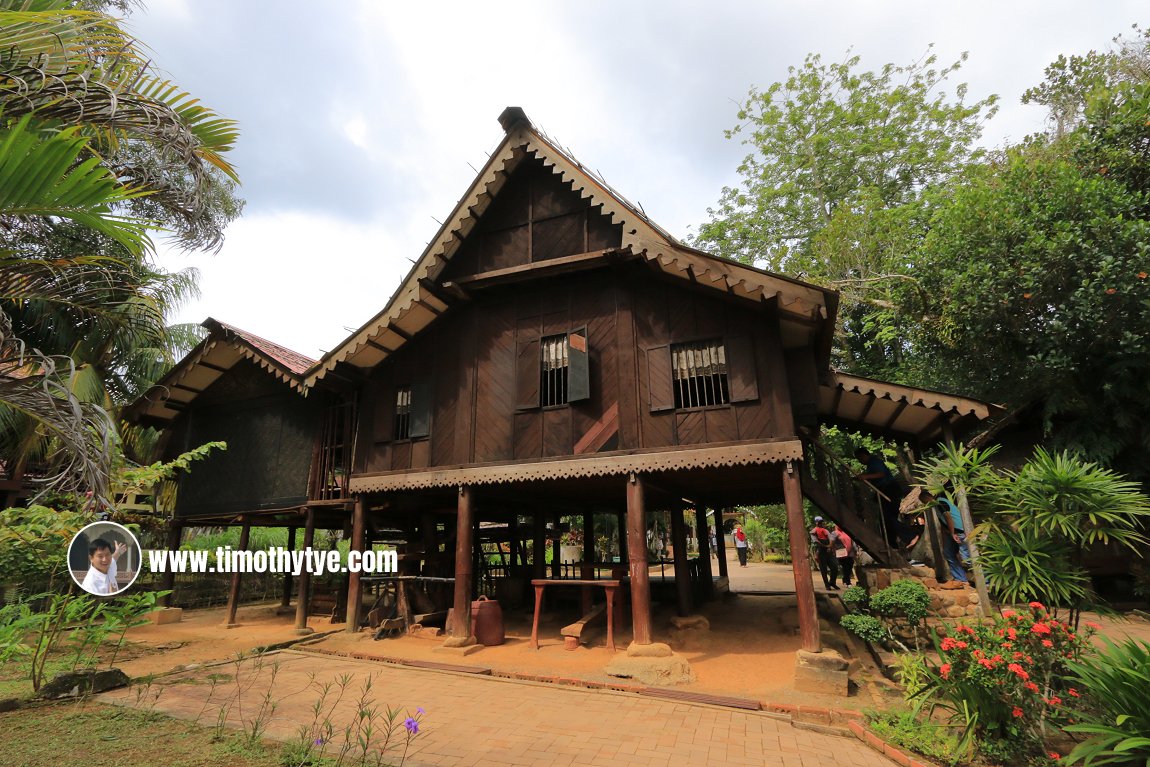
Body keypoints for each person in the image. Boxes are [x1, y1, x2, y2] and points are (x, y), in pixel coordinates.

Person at [854, 447, 911, 547]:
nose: (860, 461)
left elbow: (881, 474)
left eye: (860, 458)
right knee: (885, 520)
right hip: (885, 491)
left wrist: (866, 477)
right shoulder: (870, 466)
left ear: (864, 455)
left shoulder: (874, 461)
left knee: (888, 518)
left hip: (890, 491)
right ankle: (892, 545)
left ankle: (910, 535)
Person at [924, 490, 970, 583]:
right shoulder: (936, 505)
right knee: (948, 553)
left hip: (960, 531)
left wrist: (953, 533)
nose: (924, 504)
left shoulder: (940, 502)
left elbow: (948, 517)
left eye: (923, 501)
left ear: (926, 498)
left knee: (968, 557)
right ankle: (960, 579)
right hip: (952, 532)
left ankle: (986, 582)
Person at [808, 516, 839, 590]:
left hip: (829, 550)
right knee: (823, 568)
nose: (820, 523)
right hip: (820, 550)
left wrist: (829, 547)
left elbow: (831, 539)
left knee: (835, 566)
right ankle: (827, 584)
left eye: (821, 521)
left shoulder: (825, 530)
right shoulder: (813, 531)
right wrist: (825, 546)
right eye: (819, 522)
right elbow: (816, 541)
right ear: (816, 522)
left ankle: (832, 582)